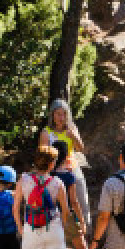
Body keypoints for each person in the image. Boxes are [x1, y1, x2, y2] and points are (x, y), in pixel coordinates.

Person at [51, 141, 97, 249]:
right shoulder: (68, 176)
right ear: (66, 156)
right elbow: (74, 201)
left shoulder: (48, 175)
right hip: (68, 215)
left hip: (50, 216)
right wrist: (82, 221)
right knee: (81, 248)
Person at [39, 99, 91, 234]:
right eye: (58, 114)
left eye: (64, 114)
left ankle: (85, 231)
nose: (61, 118)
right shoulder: (46, 132)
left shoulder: (72, 128)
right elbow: (42, 155)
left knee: (80, 200)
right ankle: (59, 235)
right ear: (52, 115)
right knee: (57, 205)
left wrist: (73, 135)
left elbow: (80, 148)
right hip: (54, 172)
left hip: (72, 169)